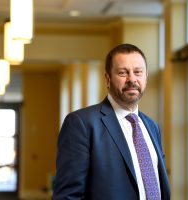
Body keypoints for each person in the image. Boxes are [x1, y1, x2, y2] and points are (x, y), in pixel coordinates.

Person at [53, 43, 170, 200]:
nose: (132, 79)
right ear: (108, 79)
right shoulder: (81, 124)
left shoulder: (152, 127)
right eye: (123, 73)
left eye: (138, 72)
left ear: (146, 77)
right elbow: (68, 196)